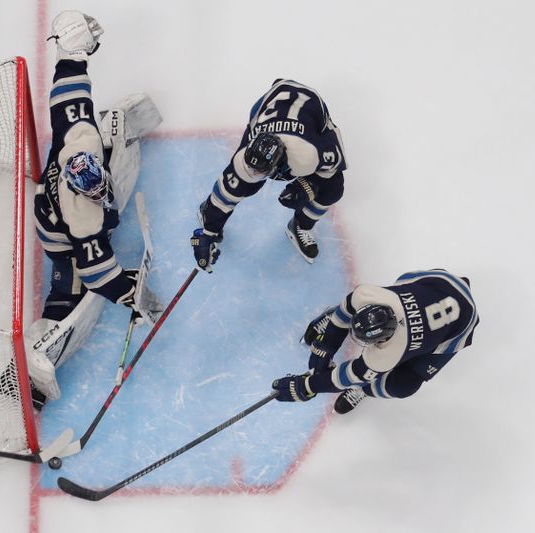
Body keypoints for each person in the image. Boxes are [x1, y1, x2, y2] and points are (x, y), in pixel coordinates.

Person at [27, 10, 162, 403]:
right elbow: (96, 273)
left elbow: (68, 92)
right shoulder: (84, 218)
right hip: (58, 232)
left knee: (106, 167)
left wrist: (74, 51)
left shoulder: (79, 135)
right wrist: (130, 295)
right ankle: (32, 372)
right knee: (69, 287)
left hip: (58, 191)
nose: (99, 191)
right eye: (95, 190)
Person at [271, 269, 479, 414]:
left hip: (460, 325)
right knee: (353, 307)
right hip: (441, 282)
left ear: (385, 338)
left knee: (405, 384)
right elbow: (348, 309)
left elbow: (348, 377)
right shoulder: (368, 295)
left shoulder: (389, 353)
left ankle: (363, 390)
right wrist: (325, 348)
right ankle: (334, 318)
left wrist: (307, 385)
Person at [191, 79, 347, 271]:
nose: (252, 173)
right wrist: (208, 233)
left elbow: (335, 170)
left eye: (261, 171)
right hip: (270, 102)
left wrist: (309, 187)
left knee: (332, 189)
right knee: (240, 185)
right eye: (251, 168)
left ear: (279, 162)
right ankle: (208, 212)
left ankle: (300, 225)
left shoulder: (307, 156)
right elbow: (224, 197)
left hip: (311, 107)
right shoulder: (244, 160)